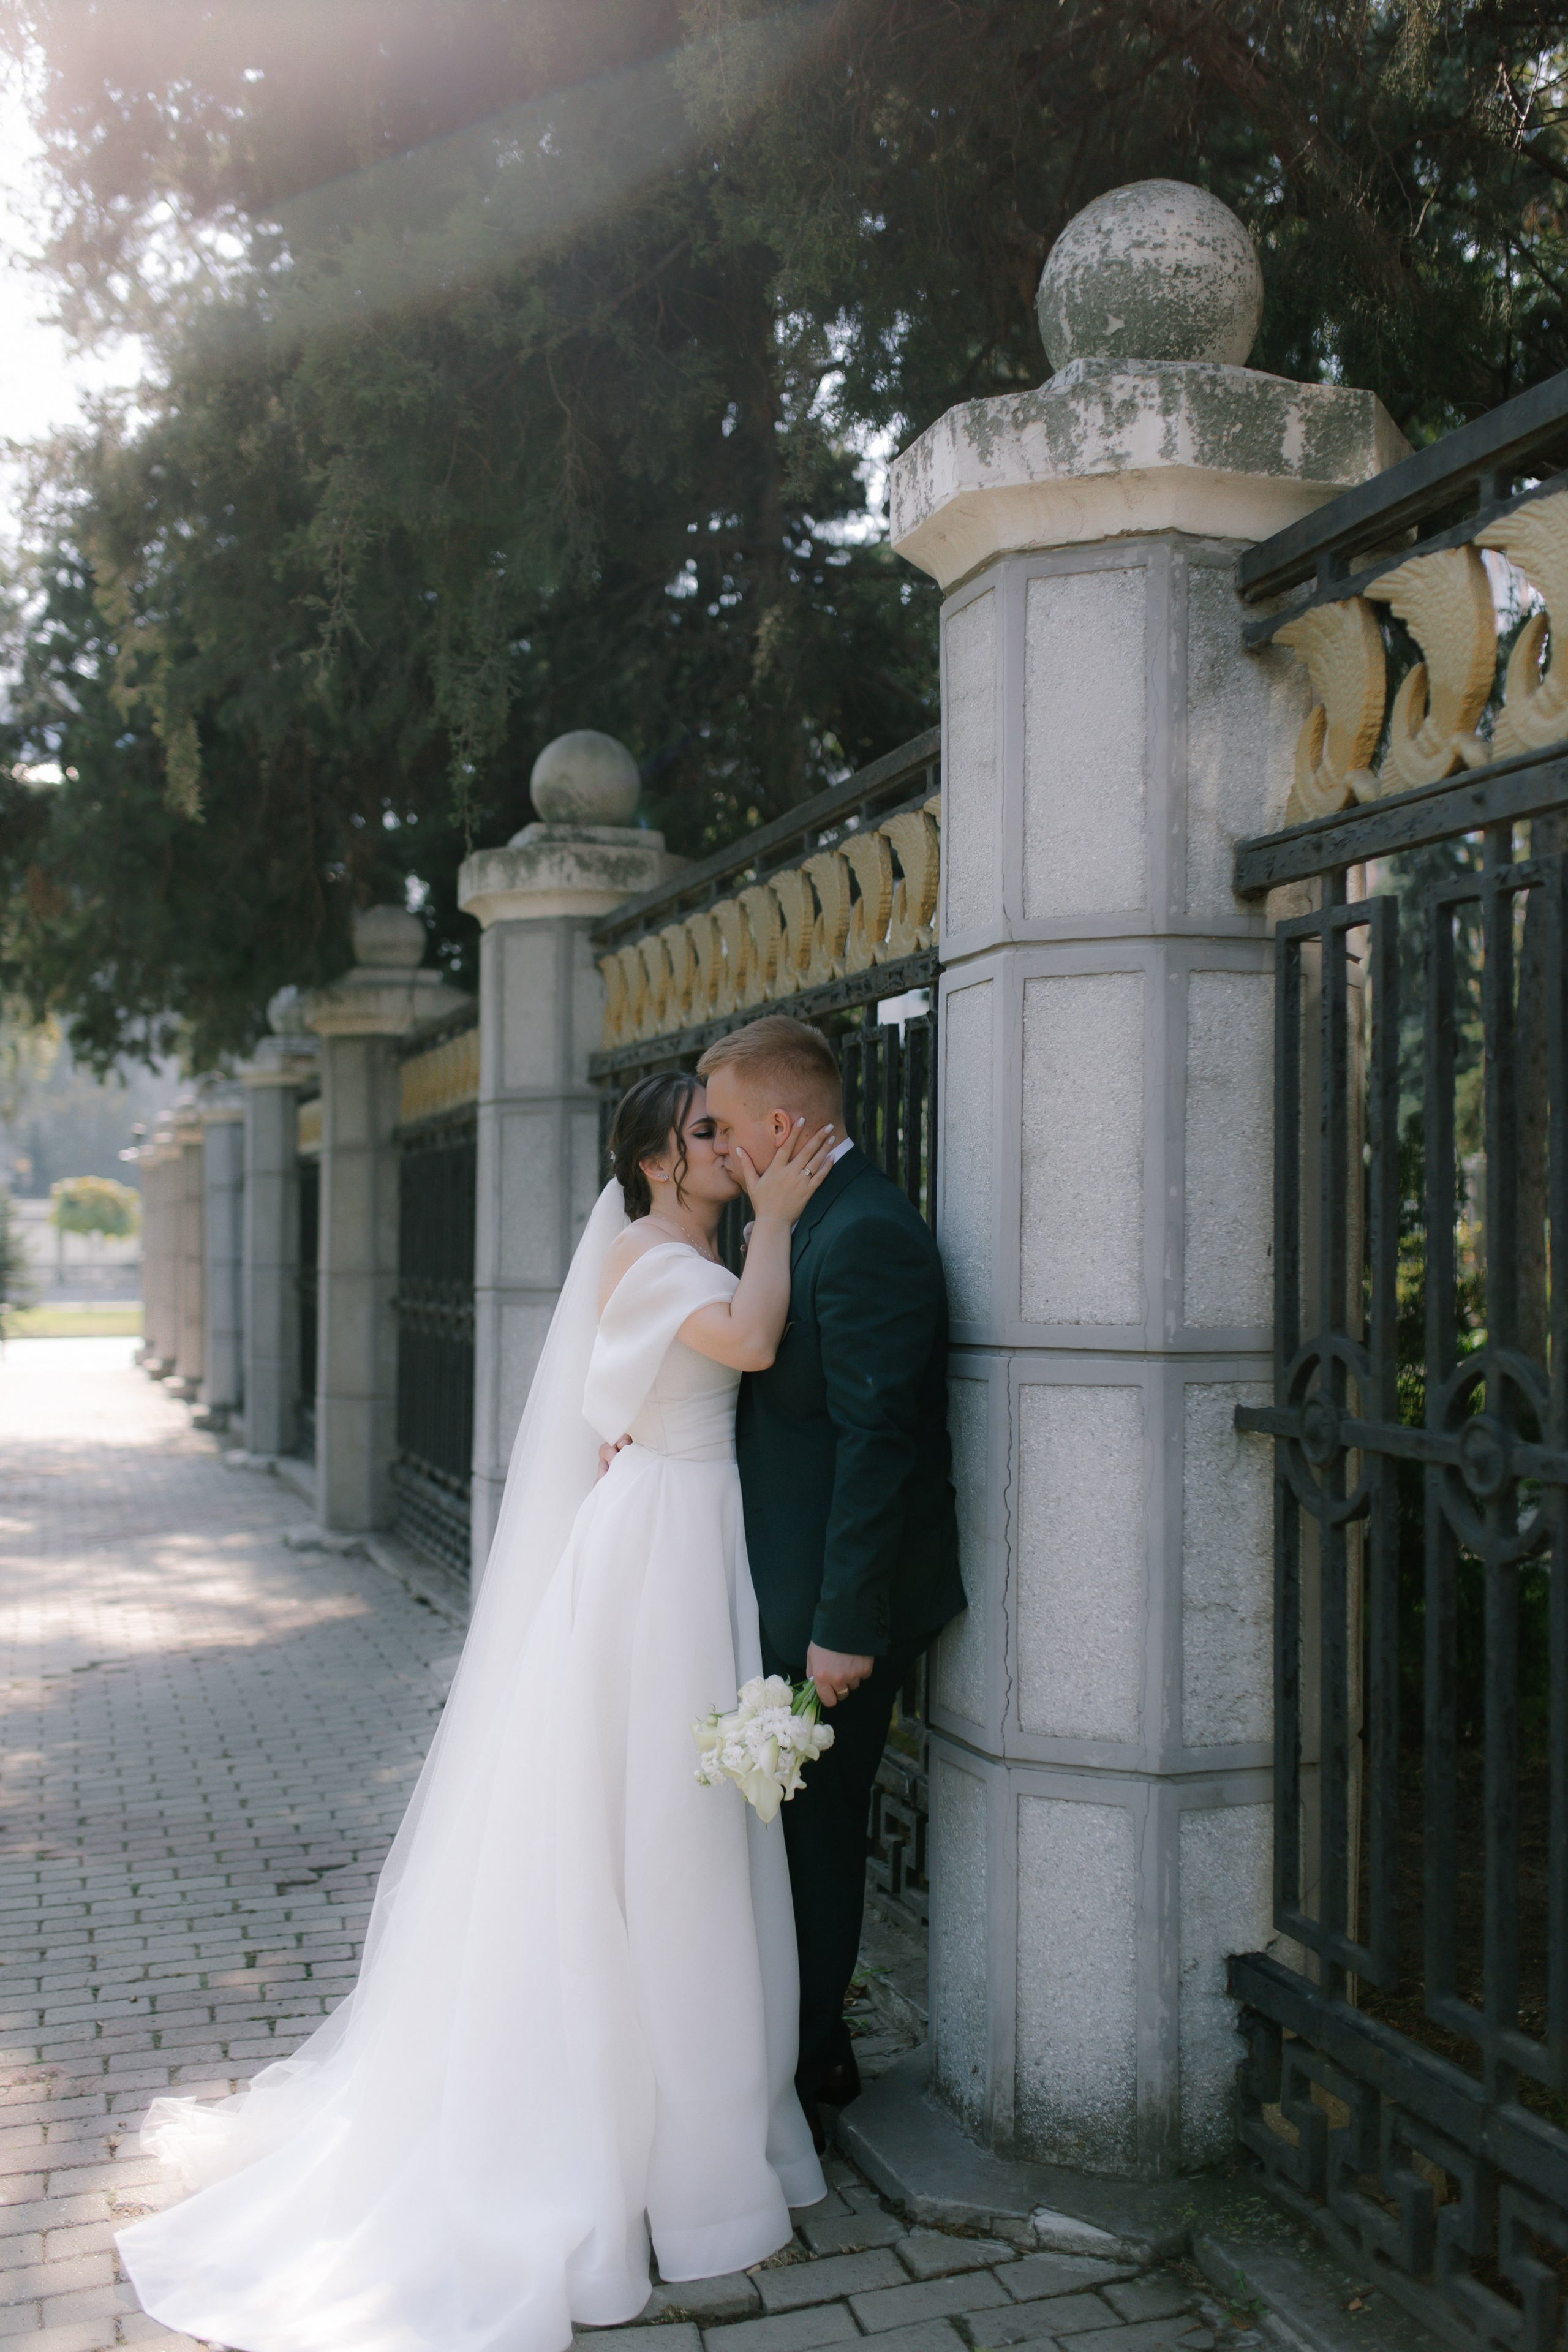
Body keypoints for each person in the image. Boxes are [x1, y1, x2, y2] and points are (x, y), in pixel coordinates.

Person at [115, 1072, 837, 2352]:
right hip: (662, 1546)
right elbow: (753, 1344)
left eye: (732, 1132)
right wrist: (777, 1220)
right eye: (707, 1135)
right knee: (658, 1828)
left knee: (670, 1822)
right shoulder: (661, 1257)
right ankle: (645, 2146)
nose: (732, 1148)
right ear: (659, 1161)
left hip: (673, 1528)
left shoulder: (659, 1244)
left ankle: (694, 2121)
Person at [698, 1016, 965, 2149]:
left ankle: (807, 2078)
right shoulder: (801, 1223)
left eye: (720, 1124)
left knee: (814, 1838)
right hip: (786, 1590)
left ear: (780, 1124)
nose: (711, 1145)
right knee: (781, 1831)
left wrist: (846, 1629)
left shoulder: (866, 1235)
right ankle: (813, 2052)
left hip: (834, 1614)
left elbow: (877, 1443)